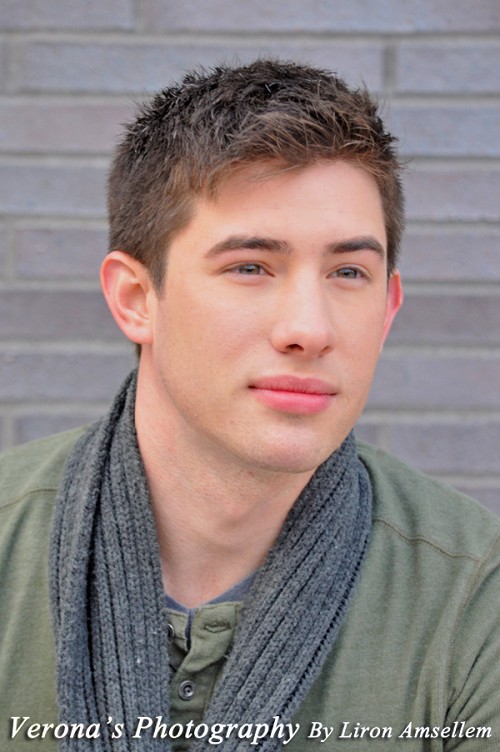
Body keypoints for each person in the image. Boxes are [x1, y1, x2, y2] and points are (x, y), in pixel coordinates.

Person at [1, 60, 499, 752]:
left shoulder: (475, 596)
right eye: (250, 267)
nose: (310, 329)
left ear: (388, 307)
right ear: (136, 299)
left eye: (348, 272)